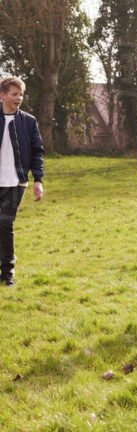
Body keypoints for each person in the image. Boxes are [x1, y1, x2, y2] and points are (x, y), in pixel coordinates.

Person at [0, 76, 44, 287]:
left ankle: (7, 273)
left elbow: (37, 152)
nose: (18, 98)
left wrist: (38, 179)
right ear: (2, 95)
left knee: (5, 223)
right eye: (14, 94)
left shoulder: (29, 121)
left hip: (16, 182)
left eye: (21, 94)